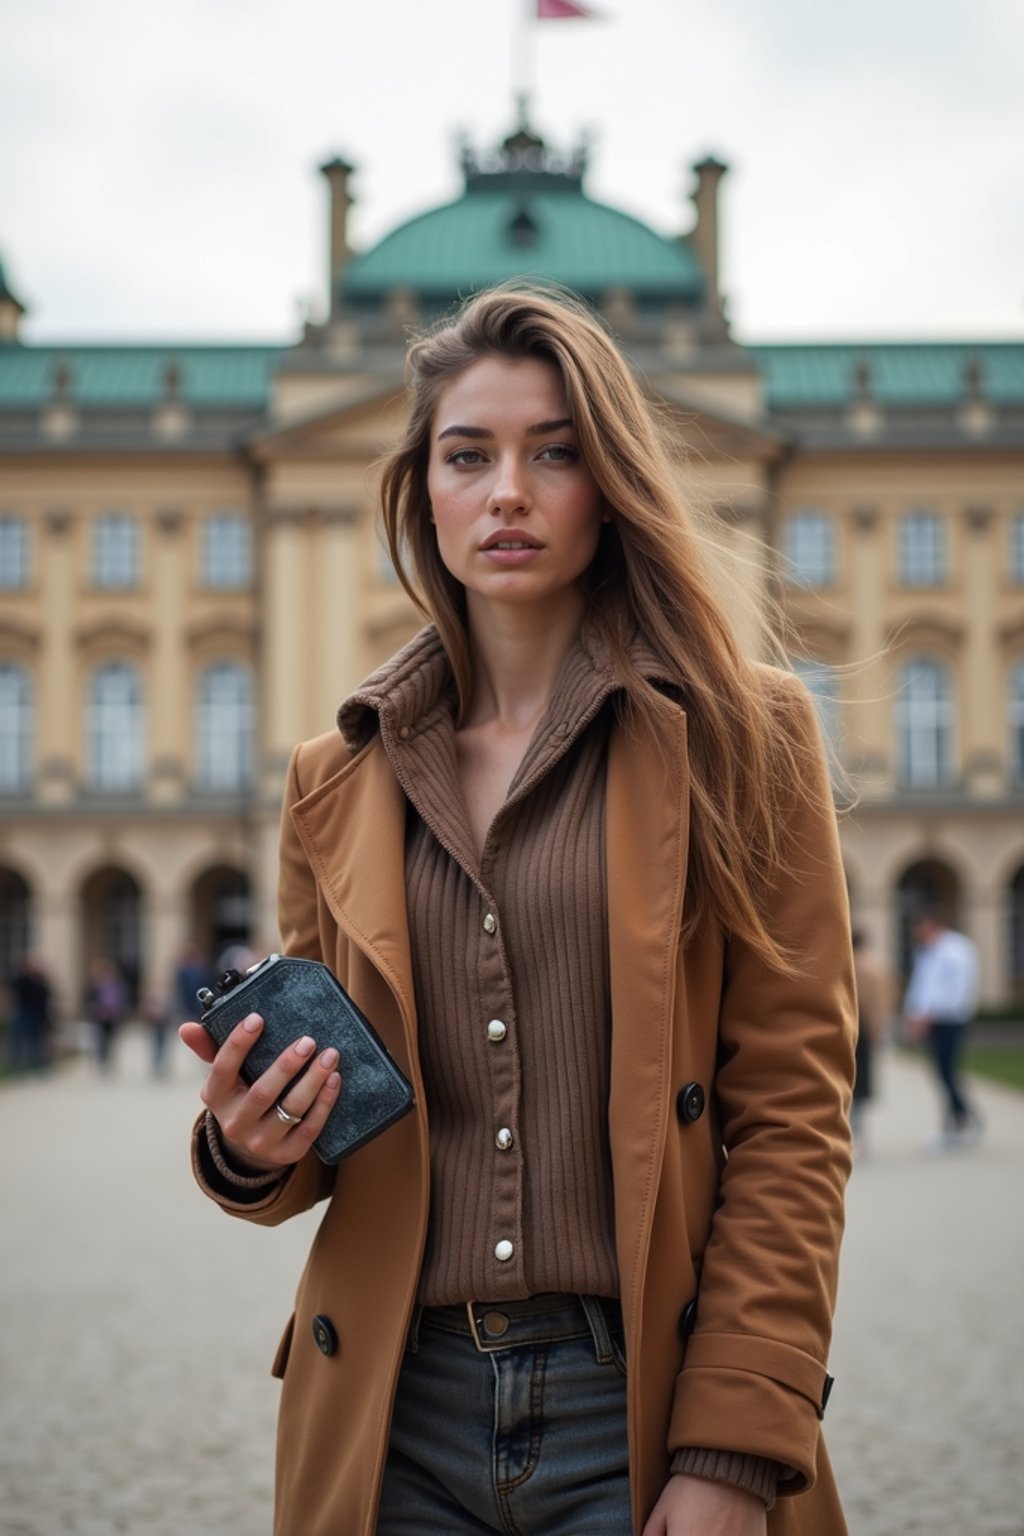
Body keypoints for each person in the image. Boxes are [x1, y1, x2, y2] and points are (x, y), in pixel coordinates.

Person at [180, 286, 856, 1536]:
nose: (507, 491)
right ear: (419, 492)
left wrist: (735, 1445)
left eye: (555, 452)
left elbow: (792, 1119)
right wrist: (249, 1146)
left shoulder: (744, 740)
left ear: (609, 485)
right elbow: (325, 1141)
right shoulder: (334, 778)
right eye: (467, 454)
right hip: (394, 1413)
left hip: (641, 1402)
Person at [903, 905, 981, 1151]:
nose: (920, 936)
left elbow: (957, 990)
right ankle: (961, 1120)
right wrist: (914, 1014)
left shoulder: (957, 950)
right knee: (942, 1073)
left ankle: (960, 1122)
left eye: (923, 931)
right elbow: (922, 986)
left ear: (935, 926)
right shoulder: (928, 951)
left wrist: (929, 1015)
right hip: (932, 1021)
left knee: (947, 1072)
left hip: (950, 1021)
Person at [849, 928, 891, 1158]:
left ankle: (855, 1136)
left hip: (858, 1030)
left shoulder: (856, 965)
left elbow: (863, 1002)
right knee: (861, 1084)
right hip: (869, 1030)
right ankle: (859, 1135)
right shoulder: (877, 963)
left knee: (853, 1082)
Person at [6, 952, 54, 1072]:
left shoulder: (41, 981)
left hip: (38, 1015)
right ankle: (17, 1066)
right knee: (19, 1040)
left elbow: (46, 999)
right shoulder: (21, 980)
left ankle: (38, 1066)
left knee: (37, 1042)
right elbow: (12, 994)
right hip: (24, 1013)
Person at [85, 956, 130, 1072]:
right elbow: (88, 1000)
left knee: (111, 1040)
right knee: (100, 1040)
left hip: (113, 1017)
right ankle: (102, 1060)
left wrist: (121, 1011)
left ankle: (109, 1060)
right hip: (99, 1017)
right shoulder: (95, 986)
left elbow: (123, 999)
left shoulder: (116, 985)